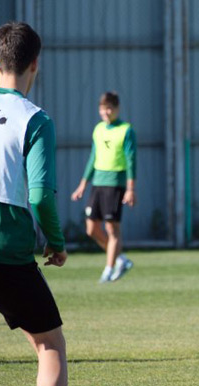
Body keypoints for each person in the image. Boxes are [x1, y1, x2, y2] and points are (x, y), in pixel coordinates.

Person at [0, 22, 68, 386]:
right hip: (3, 248)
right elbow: (40, 197)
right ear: (36, 65)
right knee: (49, 344)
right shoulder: (35, 119)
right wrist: (56, 242)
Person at [71, 91, 137, 283]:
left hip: (115, 184)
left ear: (117, 109)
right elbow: (93, 157)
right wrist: (83, 184)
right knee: (91, 228)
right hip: (97, 183)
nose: (105, 112)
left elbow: (131, 160)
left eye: (109, 108)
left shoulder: (126, 130)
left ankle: (108, 269)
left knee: (112, 228)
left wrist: (131, 188)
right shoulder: (98, 129)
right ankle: (120, 259)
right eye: (102, 108)